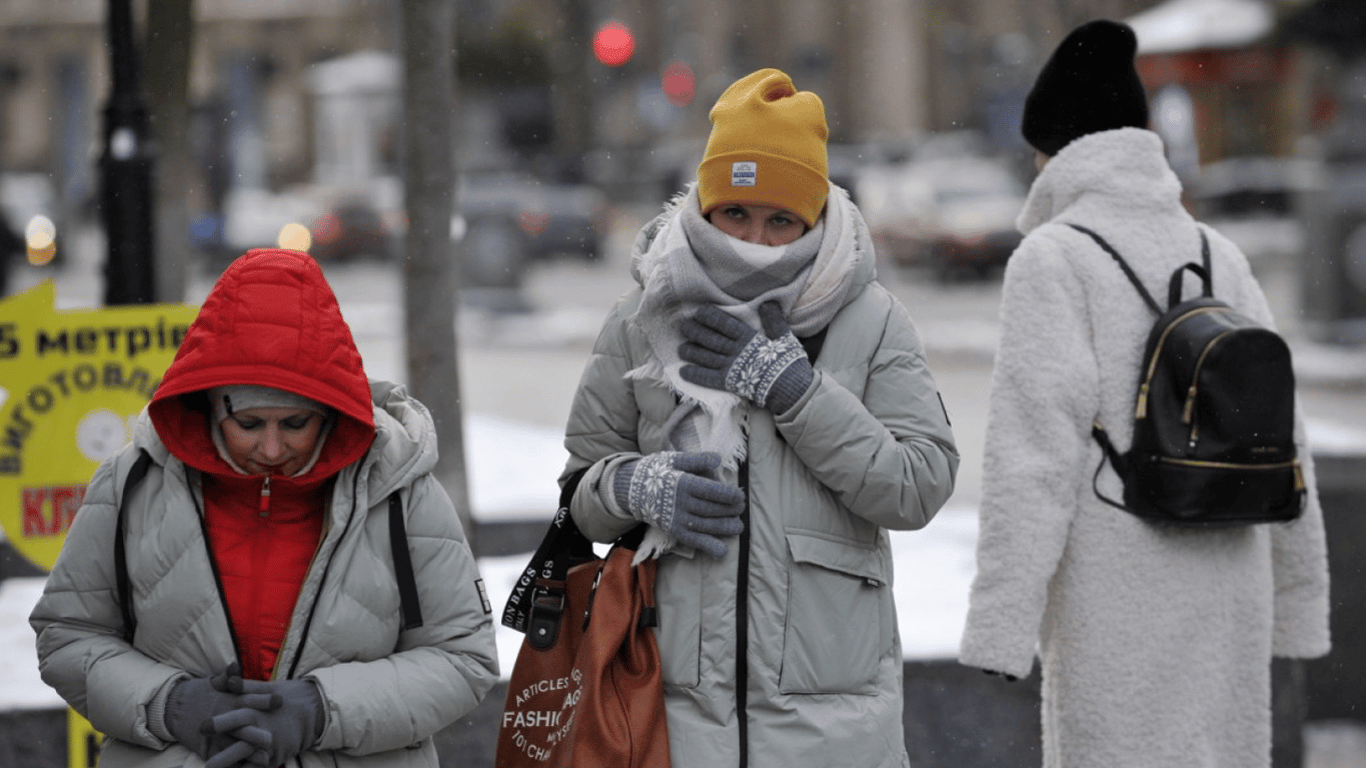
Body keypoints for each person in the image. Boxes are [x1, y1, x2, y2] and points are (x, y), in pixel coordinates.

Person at [559, 68, 959, 768]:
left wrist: (796, 393)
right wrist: (634, 488)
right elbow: (580, 496)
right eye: (735, 214)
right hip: (668, 726)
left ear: (815, 219)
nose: (755, 241)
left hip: (834, 737)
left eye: (782, 220)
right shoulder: (642, 315)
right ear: (706, 207)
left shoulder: (869, 319)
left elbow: (917, 485)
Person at [957, 20, 1331, 768]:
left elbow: (1032, 458)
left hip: (1121, 591)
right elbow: (1287, 443)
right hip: (1232, 582)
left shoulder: (1054, 259)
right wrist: (1299, 604)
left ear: (1055, 150)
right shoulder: (1218, 252)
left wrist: (1000, 626)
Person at [31, 248, 498, 768]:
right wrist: (170, 704)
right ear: (209, 404)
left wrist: (322, 710)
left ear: (330, 410)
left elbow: (463, 656)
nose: (272, 450)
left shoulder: (397, 490)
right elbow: (69, 634)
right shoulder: (133, 483)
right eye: (249, 424)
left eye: (295, 424)